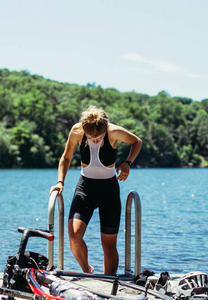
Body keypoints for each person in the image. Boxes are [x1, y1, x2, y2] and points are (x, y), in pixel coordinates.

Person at [49, 106, 142, 275]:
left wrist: (128, 163)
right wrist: (60, 182)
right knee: (74, 236)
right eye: (90, 138)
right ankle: (87, 271)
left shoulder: (114, 131)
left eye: (98, 138)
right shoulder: (77, 131)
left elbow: (137, 141)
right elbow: (66, 157)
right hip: (86, 188)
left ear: (105, 130)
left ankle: (108, 280)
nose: (95, 141)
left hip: (109, 190)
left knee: (108, 245)